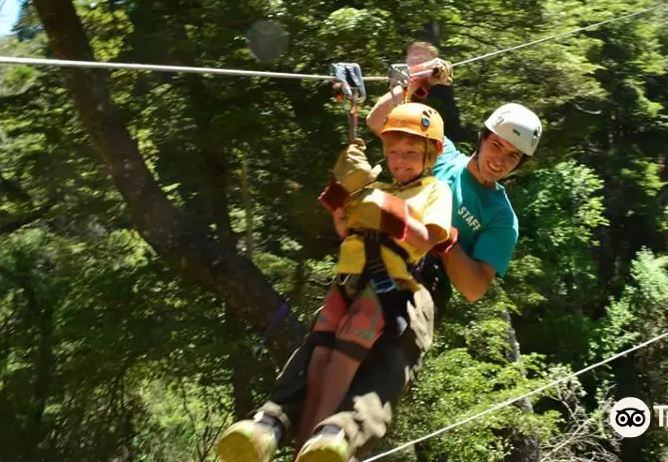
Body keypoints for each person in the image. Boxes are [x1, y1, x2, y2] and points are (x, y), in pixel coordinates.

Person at [216, 50, 543, 462]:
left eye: (511, 156)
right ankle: (270, 424)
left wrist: (442, 240)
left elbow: (475, 287)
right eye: (496, 145)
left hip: (424, 285)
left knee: (391, 359)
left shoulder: (501, 218)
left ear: (519, 164)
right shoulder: (442, 156)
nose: (499, 159)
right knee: (321, 347)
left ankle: (343, 436)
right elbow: (381, 122)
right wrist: (414, 83)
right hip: (378, 256)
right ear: (481, 137)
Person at [291, 102, 454, 459]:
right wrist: (344, 198)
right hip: (348, 277)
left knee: (344, 358)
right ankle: (300, 443)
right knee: (319, 357)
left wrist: (387, 209)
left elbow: (427, 239)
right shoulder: (379, 187)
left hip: (387, 283)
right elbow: (345, 227)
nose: (401, 161)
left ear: (430, 155)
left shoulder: (434, 190)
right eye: (394, 153)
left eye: (411, 153)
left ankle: (322, 437)